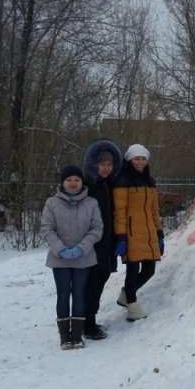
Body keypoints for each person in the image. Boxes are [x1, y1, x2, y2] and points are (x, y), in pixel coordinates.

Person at [40, 165, 103, 350]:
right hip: (59, 258)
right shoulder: (52, 203)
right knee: (63, 295)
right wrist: (60, 248)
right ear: (62, 182)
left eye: (76, 180)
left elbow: (96, 228)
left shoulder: (91, 203)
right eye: (69, 180)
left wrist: (82, 248)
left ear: (82, 182)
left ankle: (76, 335)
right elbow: (46, 228)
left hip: (83, 258)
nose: (73, 183)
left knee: (79, 295)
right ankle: (64, 337)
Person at [113, 143, 164, 322]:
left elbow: (154, 210)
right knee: (132, 270)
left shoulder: (150, 181)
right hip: (131, 234)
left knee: (149, 270)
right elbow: (119, 212)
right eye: (137, 158)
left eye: (143, 158)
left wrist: (159, 233)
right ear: (130, 159)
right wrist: (120, 238)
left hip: (149, 233)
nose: (140, 162)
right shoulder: (122, 180)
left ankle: (126, 295)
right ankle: (132, 307)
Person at [81, 138, 123, 340]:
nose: (106, 168)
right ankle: (87, 324)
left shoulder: (111, 184)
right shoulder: (86, 184)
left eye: (109, 164)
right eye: (102, 164)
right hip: (91, 243)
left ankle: (89, 319)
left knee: (102, 278)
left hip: (109, 242)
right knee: (92, 282)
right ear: (93, 164)